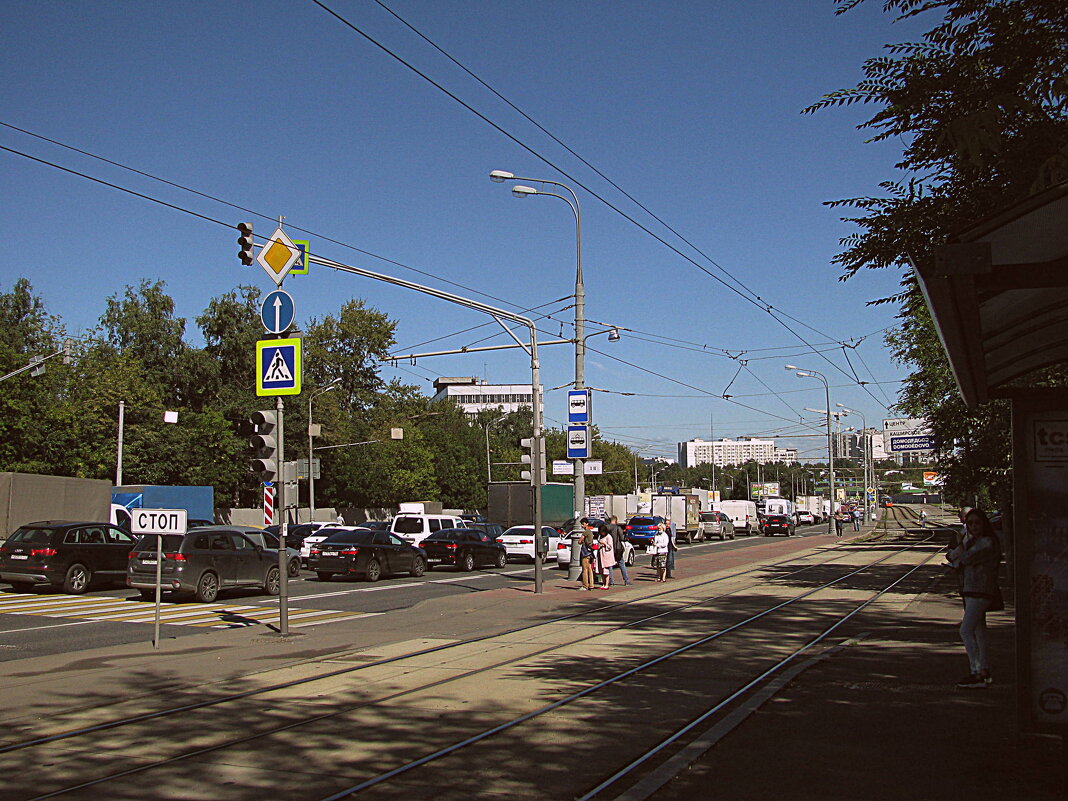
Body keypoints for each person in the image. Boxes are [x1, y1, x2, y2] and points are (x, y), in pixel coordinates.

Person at [946, 508, 1002, 688]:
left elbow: (967, 558)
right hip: (971, 589)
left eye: (977, 522)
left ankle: (976, 671)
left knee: (965, 630)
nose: (973, 526)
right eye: (970, 523)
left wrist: (960, 546)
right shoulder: (975, 541)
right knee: (979, 631)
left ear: (984, 523)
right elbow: (953, 556)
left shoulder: (986, 542)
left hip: (981, 589)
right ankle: (984, 671)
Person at [608, 515, 632, 585]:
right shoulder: (618, 528)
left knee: (610, 565)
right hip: (618, 548)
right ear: (616, 521)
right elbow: (621, 538)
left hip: (609, 548)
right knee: (621, 563)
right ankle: (626, 580)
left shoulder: (606, 527)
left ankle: (611, 581)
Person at [596, 523, 617, 589]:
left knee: (606, 571)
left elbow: (610, 547)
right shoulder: (600, 537)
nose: (602, 534)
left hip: (606, 556)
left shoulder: (609, 537)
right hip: (600, 554)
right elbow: (598, 543)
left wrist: (604, 544)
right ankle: (603, 583)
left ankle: (607, 584)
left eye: (603, 532)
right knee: (601, 571)